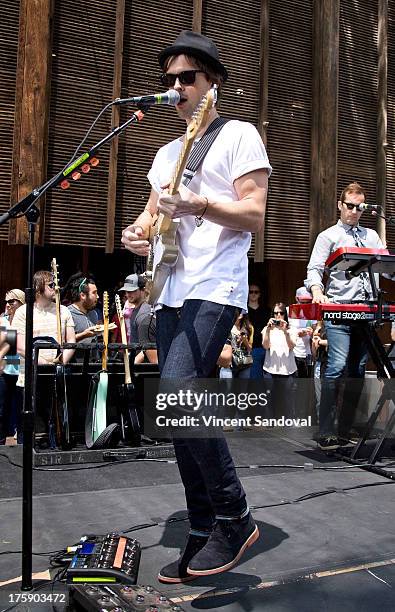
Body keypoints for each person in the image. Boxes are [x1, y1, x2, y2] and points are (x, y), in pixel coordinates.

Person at [122, 30, 271, 582]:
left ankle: (235, 515)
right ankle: (203, 523)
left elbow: (254, 214)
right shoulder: (165, 154)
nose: (177, 87)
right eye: (169, 80)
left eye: (188, 77)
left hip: (216, 284)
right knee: (177, 407)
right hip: (171, 287)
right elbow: (148, 218)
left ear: (212, 82)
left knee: (181, 391)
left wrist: (202, 203)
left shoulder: (238, 134)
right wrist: (135, 234)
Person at [305, 182, 386, 450]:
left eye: (359, 207)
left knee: (357, 371)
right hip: (340, 308)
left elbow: (384, 268)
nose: (353, 211)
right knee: (337, 367)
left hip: (366, 310)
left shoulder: (372, 236)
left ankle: (345, 428)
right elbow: (314, 270)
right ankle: (326, 430)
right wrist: (317, 291)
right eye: (349, 206)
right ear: (340, 205)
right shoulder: (328, 236)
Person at [12, 270, 76, 442]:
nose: (57, 288)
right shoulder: (24, 312)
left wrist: (61, 361)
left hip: (56, 374)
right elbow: (19, 346)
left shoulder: (64, 311)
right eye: (51, 285)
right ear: (39, 288)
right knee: (29, 422)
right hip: (29, 375)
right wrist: (43, 363)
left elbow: (71, 342)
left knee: (55, 417)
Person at [262, 303, 298, 417]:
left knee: (288, 398)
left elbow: (291, 346)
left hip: (287, 370)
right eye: (276, 313)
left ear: (285, 315)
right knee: (269, 396)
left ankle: (289, 421)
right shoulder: (267, 329)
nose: (278, 316)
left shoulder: (291, 329)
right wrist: (268, 330)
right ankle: (270, 420)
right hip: (270, 368)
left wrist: (285, 331)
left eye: (281, 313)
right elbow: (266, 346)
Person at [0, 289, 25, 444]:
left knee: (19, 407)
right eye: (6, 302)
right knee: (2, 407)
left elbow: (14, 345)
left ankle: (17, 435)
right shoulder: (2, 320)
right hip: (4, 368)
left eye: (12, 301)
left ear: (21, 303)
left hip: (20, 369)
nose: (8, 305)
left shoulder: (24, 321)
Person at [119, 274, 157, 364]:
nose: (128, 294)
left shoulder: (144, 314)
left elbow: (147, 348)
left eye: (132, 291)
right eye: (126, 291)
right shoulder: (136, 310)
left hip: (143, 368)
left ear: (143, 290)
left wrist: (132, 364)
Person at [67, 276, 100, 361]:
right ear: (82, 295)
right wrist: (84, 335)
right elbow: (62, 341)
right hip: (75, 369)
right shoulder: (67, 314)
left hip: (93, 366)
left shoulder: (94, 314)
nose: (98, 296)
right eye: (94, 293)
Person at [288, 287, 314, 378]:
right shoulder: (288, 311)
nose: (306, 305)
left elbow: (318, 329)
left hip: (309, 354)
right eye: (303, 302)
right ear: (296, 299)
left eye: (308, 302)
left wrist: (313, 332)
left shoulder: (314, 311)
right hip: (293, 353)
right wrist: (297, 333)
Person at [219, 313, 253, 379]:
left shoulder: (248, 328)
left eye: (241, 310)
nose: (239, 312)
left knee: (242, 389)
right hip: (229, 364)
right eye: (237, 310)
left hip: (244, 364)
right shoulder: (226, 326)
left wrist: (244, 340)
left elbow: (250, 349)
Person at [247, 282, 270, 378]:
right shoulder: (244, 311)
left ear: (259, 294)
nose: (253, 294)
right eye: (251, 292)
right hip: (250, 349)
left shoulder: (267, 311)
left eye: (256, 292)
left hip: (266, 349)